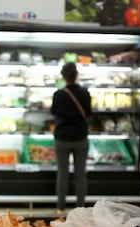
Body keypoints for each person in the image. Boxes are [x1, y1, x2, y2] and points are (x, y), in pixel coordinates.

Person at [51, 62, 92, 214]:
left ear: (63, 76)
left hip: (62, 138)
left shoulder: (59, 94)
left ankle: (60, 208)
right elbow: (88, 112)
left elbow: (53, 112)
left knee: (62, 173)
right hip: (80, 137)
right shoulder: (85, 92)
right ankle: (80, 209)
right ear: (76, 75)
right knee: (80, 174)